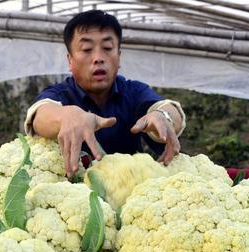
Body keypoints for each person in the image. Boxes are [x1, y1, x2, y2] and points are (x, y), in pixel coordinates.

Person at [24, 10, 186, 178]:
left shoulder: (133, 91)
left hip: (130, 193)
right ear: (70, 60)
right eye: (87, 49)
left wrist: (163, 116)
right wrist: (66, 116)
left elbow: (165, 107)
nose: (98, 58)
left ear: (119, 56)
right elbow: (40, 114)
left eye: (108, 48)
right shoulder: (60, 94)